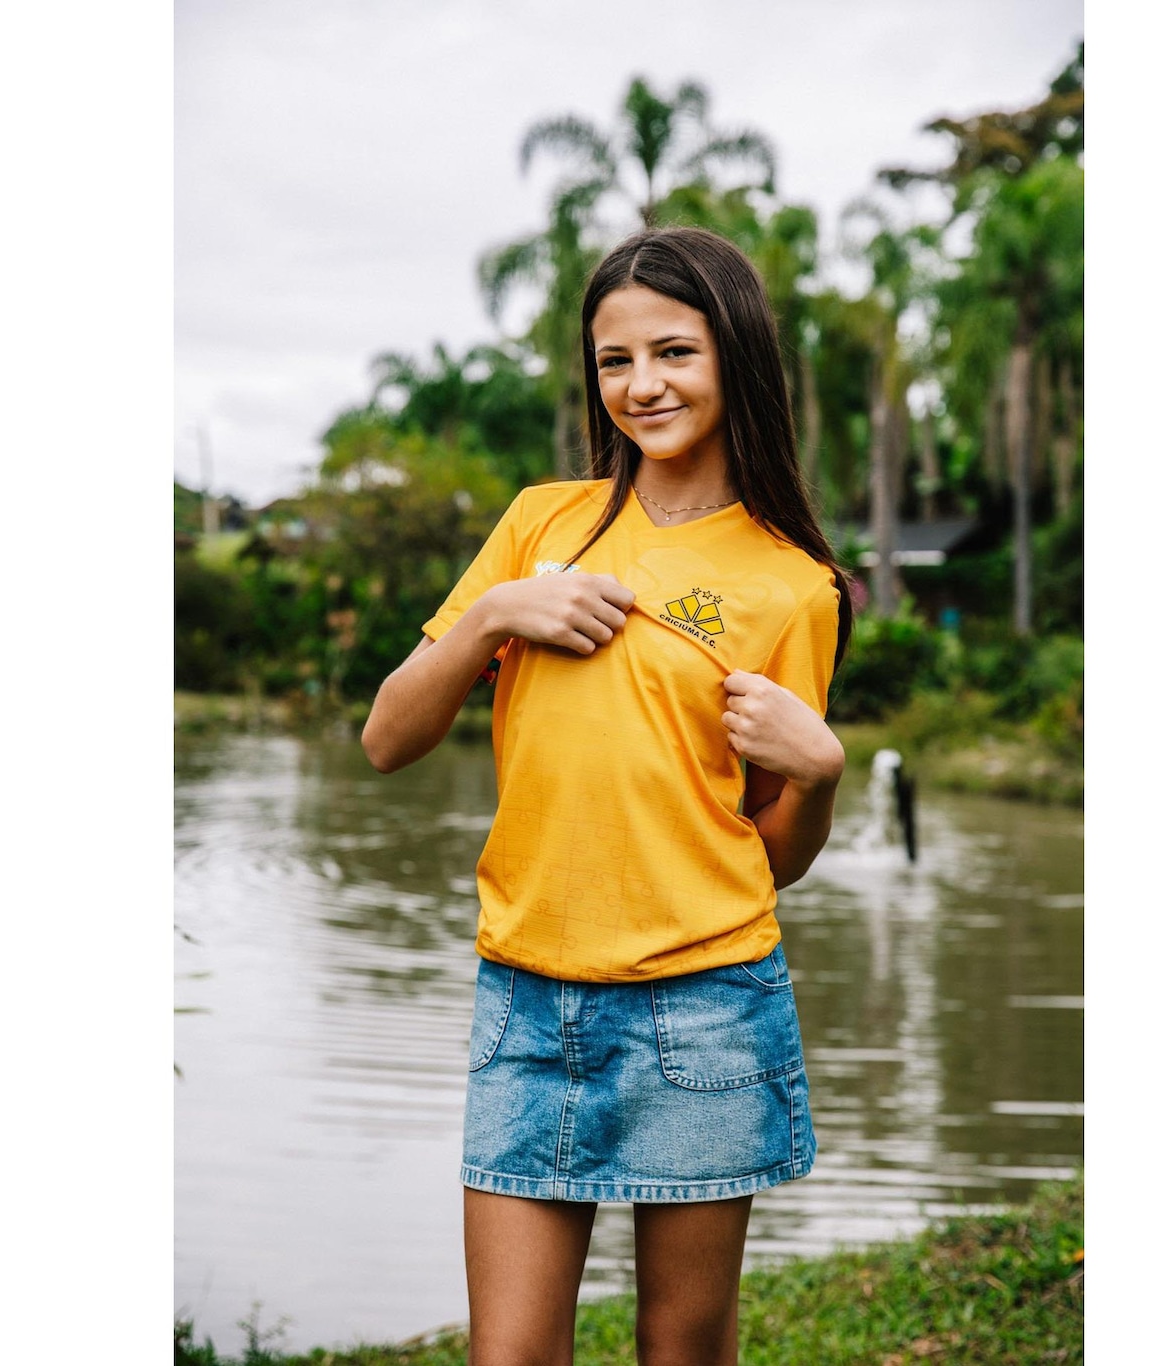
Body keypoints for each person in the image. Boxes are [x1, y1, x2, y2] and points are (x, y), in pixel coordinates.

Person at [361, 226, 853, 1366]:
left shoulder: (793, 585)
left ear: (733, 355)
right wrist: (496, 616)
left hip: (706, 1006)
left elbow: (770, 855)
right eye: (614, 360)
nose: (642, 385)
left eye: (673, 351)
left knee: (681, 1352)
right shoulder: (542, 523)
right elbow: (387, 739)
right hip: (524, 1001)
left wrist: (819, 775)